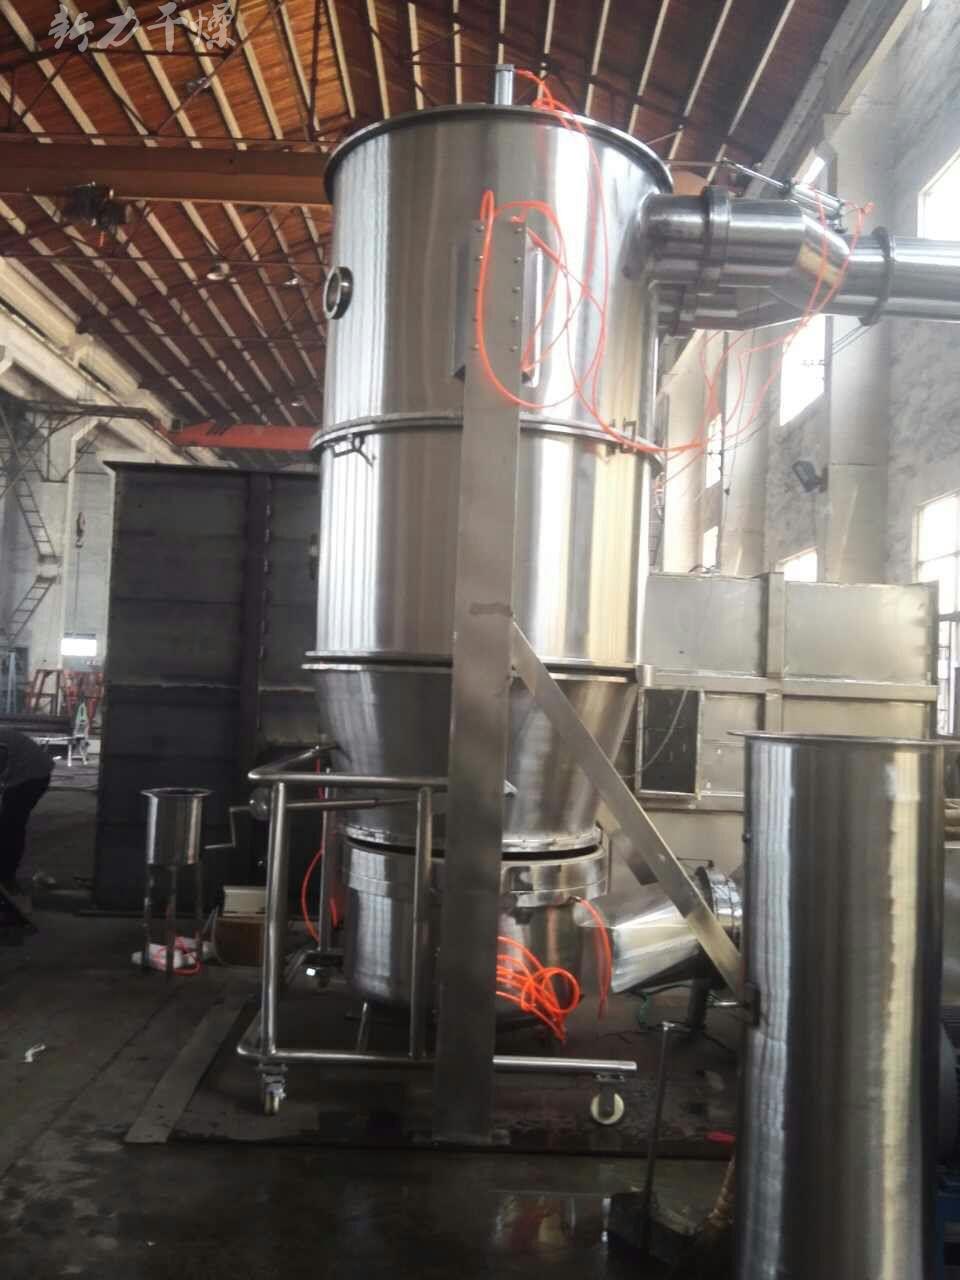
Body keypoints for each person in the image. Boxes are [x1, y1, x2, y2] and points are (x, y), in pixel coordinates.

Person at [0, 727, 53, 896]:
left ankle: (6, 877)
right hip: (28, 772)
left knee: (11, 826)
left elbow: (1, 761)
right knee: (9, 823)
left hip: (31, 777)